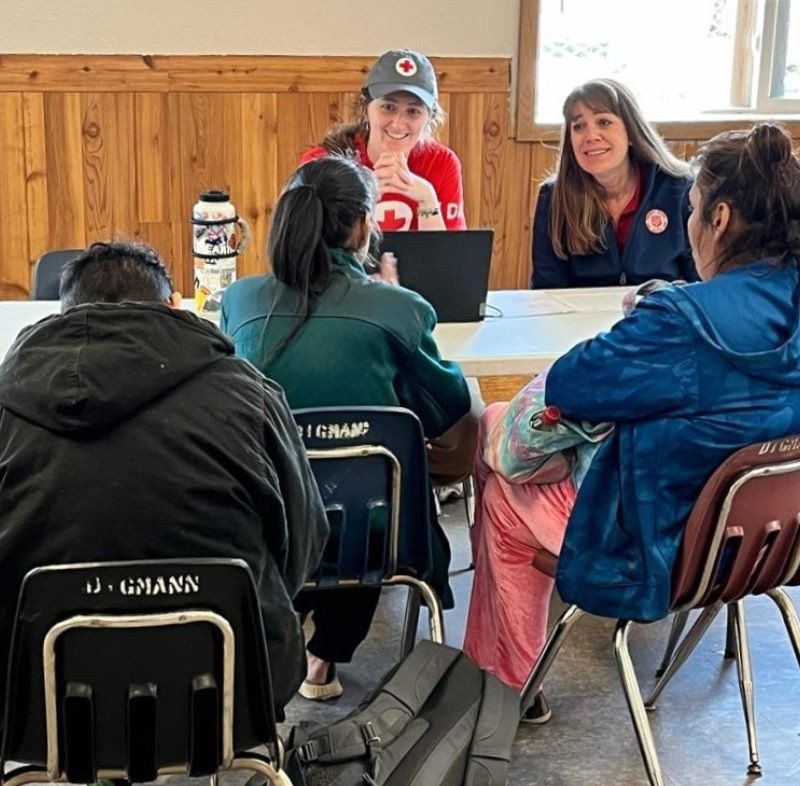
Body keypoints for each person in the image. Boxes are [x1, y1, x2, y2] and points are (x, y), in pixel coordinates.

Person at [466, 122, 800, 722]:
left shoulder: (679, 323)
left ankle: (504, 690)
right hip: (770, 544)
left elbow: (571, 386)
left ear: (719, 219)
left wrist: (659, 316)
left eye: (692, 210)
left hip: (658, 546)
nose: (688, 224)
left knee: (503, 487)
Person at [0, 241, 328, 786]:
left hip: (38, 703)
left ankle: (105, 760)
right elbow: (305, 540)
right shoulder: (249, 395)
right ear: (174, 307)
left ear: (62, 318)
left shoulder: (6, 406)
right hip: (233, 688)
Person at [221, 155, 480, 701]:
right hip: (373, 541)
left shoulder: (240, 301)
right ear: (363, 224)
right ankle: (324, 658)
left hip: (263, 528)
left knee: (317, 488)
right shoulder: (400, 309)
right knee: (361, 490)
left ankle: (280, 639)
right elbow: (450, 406)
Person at [530, 78, 698, 288]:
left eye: (604, 122)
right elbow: (546, 289)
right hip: (581, 318)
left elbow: (699, 282)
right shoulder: (554, 197)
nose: (591, 136)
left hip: (659, 315)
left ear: (631, 132)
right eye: (579, 126)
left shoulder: (679, 189)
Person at [300, 49, 466, 232]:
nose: (398, 124)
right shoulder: (323, 162)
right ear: (365, 108)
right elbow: (305, 249)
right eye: (388, 107)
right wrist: (360, 196)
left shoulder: (442, 163)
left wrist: (428, 201)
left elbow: (448, 258)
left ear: (429, 117)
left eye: (413, 111)